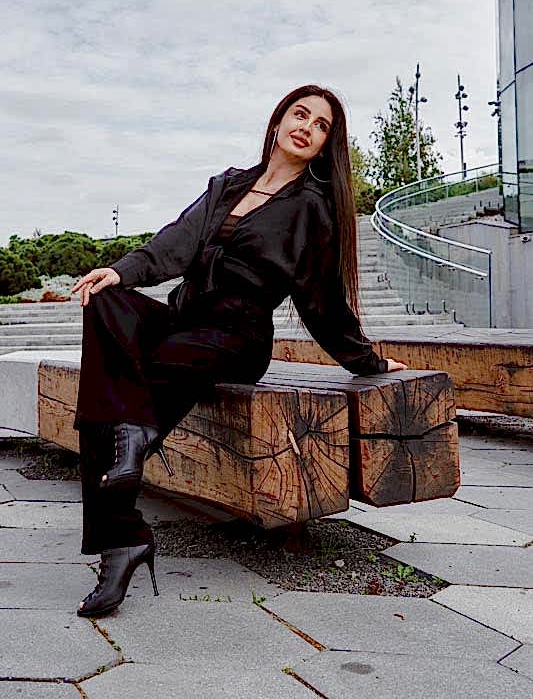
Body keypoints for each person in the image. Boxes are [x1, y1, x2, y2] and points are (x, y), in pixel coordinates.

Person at [70, 83, 408, 617]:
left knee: (109, 404)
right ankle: (130, 459)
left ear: (326, 145)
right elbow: (174, 242)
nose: (307, 127)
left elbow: (323, 301)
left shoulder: (312, 209)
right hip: (184, 320)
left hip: (235, 337)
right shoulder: (228, 184)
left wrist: (366, 360)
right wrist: (120, 271)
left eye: (321, 126)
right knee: (105, 304)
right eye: (300, 114)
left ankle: (120, 538)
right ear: (277, 122)